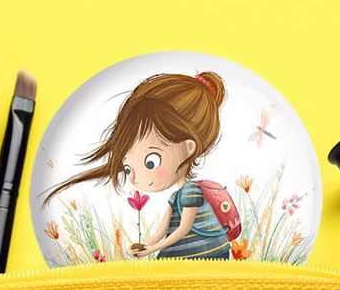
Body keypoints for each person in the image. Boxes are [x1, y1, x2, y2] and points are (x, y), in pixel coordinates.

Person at [47, 70, 232, 259]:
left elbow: (183, 229)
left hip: (208, 255)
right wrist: (145, 246)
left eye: (150, 162)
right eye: (127, 168)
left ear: (188, 148)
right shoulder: (176, 197)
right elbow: (162, 231)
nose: (133, 178)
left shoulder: (191, 191)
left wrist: (152, 249)